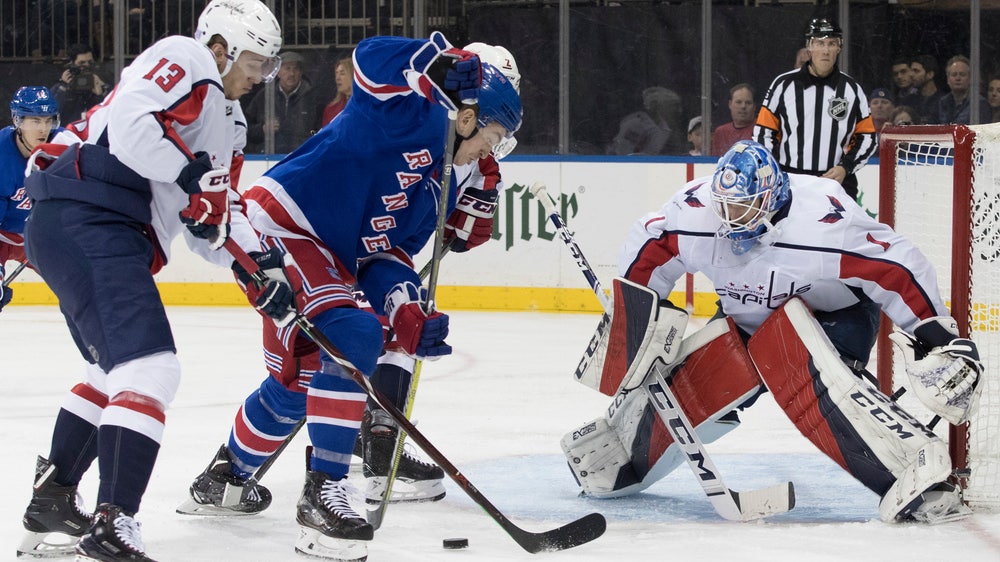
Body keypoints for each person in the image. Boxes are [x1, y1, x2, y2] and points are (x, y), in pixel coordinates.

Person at [179, 33, 521, 560]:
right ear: (470, 116)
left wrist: (404, 310)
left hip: (333, 256)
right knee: (353, 336)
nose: (488, 152)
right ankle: (323, 495)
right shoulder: (412, 110)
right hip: (283, 224)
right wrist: (434, 61)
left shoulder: (445, 182)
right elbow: (369, 59)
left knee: (301, 382)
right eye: (492, 137)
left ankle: (225, 476)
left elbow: (386, 256)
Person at [564, 140, 983, 525]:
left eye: (743, 208)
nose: (729, 219)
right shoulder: (697, 211)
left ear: (772, 200)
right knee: (698, 383)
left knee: (804, 375)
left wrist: (937, 334)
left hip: (836, 317)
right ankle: (621, 456)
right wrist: (642, 312)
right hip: (745, 317)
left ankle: (919, 472)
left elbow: (895, 266)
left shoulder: (823, 221)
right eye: (725, 206)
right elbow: (653, 239)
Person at [17, 1, 286, 560]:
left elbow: (212, 216)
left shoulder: (230, 123)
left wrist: (260, 265)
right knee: (150, 367)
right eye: (255, 61)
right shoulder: (183, 56)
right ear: (221, 47)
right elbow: (133, 127)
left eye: (267, 66)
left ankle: (54, 497)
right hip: (88, 210)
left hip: (96, 224)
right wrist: (192, 177)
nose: (259, 76)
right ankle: (115, 521)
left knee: (112, 368)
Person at [754, 17, 877, 201]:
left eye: (831, 43)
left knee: (835, 231)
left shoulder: (851, 89)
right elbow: (764, 132)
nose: (826, 50)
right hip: (792, 181)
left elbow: (867, 137)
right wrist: (773, 171)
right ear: (809, 46)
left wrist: (846, 167)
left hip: (836, 183)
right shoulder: (783, 85)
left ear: (839, 47)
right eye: (819, 43)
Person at [0, 87, 60, 313]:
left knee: (83, 284)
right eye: (35, 120)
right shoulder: (1, 156)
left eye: (47, 120)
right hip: (1, 238)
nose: (43, 129)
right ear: (18, 120)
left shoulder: (63, 145)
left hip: (37, 237)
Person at [245, 51, 319, 153]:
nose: (292, 73)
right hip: (268, 158)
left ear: (301, 72)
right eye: (287, 68)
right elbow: (246, 129)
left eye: (296, 69)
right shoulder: (264, 96)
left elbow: (318, 130)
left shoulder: (312, 97)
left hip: (302, 157)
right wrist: (262, 129)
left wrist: (308, 139)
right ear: (278, 72)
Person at [607, 86, 685, 156]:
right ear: (655, 105)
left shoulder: (667, 129)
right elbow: (622, 155)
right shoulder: (636, 124)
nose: (679, 110)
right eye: (674, 105)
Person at [50, 43, 109, 124]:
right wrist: (63, 88)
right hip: (68, 133)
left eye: (90, 62)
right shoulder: (60, 88)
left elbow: (107, 117)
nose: (86, 66)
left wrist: (100, 95)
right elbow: (51, 115)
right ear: (72, 64)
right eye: (82, 63)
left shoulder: (100, 85)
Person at [936, 55, 990, 125]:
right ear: (948, 79)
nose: (958, 78)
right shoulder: (943, 102)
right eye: (954, 75)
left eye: (962, 74)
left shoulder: (979, 103)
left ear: (970, 78)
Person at [710, 83, 755, 156]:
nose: (743, 106)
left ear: (754, 106)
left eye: (748, 103)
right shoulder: (720, 132)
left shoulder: (762, 130)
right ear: (730, 104)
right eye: (738, 102)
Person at [320, 56, 354, 127]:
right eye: (336, 74)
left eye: (342, 73)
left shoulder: (367, 106)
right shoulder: (331, 109)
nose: (337, 78)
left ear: (353, 75)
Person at [909, 55, 943, 125]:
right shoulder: (909, 100)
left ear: (930, 74)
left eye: (916, 71)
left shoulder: (943, 101)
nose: (911, 75)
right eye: (911, 71)